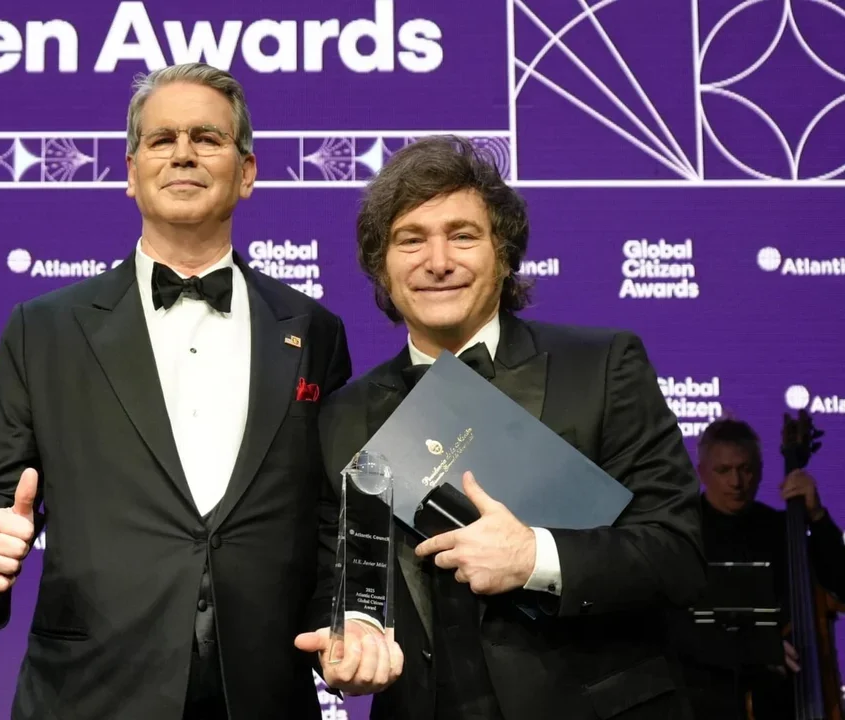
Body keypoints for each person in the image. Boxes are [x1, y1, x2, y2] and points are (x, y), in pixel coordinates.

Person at [0, 62, 352, 720]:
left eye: (207, 138)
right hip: (89, 692)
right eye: (161, 139)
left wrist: (346, 624)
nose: (183, 153)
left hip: (264, 692)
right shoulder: (44, 329)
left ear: (247, 172)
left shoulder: (313, 331)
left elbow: (331, 516)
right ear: (131, 172)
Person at [295, 135, 705, 719]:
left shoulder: (602, 368)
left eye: (462, 235)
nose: (438, 261)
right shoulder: (342, 415)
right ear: (381, 268)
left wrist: (535, 556)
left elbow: (677, 555)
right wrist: (348, 638)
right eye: (411, 240)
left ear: (505, 255)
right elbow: (331, 580)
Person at [677, 417, 845, 718]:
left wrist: (818, 516)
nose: (736, 482)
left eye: (746, 469)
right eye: (723, 470)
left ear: (761, 470)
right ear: (701, 473)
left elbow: (841, 584)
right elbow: (673, 626)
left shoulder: (781, 528)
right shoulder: (682, 534)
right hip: (703, 701)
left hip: (781, 702)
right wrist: (757, 649)